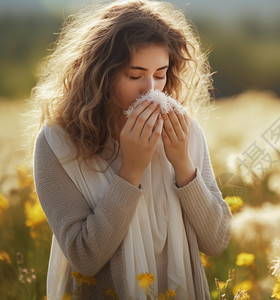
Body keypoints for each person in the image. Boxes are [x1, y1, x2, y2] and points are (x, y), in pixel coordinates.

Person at [30, 0, 232, 299]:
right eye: (135, 75)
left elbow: (217, 241)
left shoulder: (184, 132)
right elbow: (85, 258)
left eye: (160, 74)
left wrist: (183, 165)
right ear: (100, 75)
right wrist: (131, 171)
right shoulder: (58, 144)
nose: (150, 90)